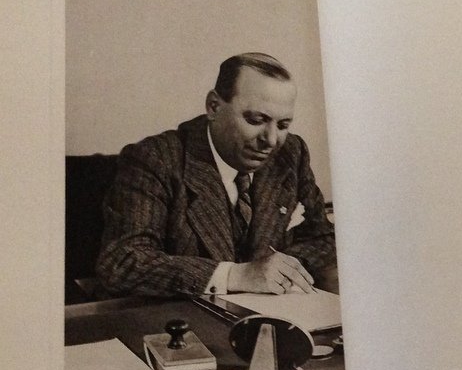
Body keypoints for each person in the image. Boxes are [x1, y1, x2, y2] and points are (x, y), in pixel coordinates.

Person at [95, 52, 338, 297]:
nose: (272, 140)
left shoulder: (291, 153)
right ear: (214, 107)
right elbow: (122, 262)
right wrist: (235, 275)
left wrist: (279, 269)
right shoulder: (156, 159)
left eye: (283, 125)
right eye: (256, 120)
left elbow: (325, 238)